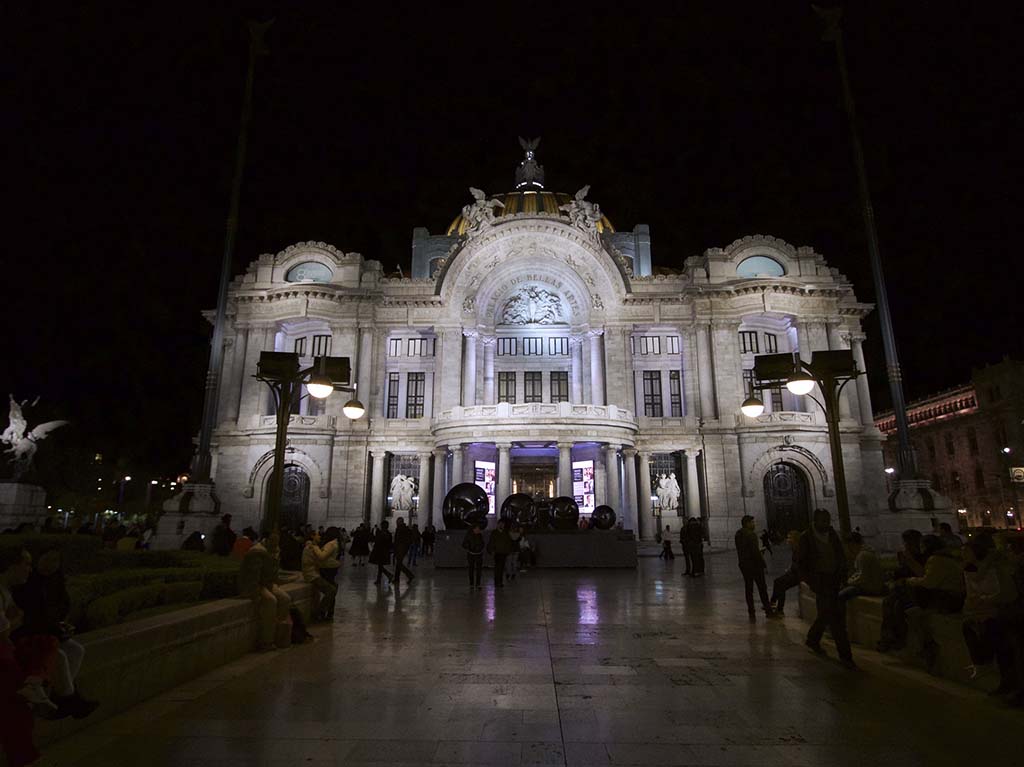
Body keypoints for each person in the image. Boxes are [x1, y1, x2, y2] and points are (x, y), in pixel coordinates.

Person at [12, 548, 98, 719]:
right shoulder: (27, 583)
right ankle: (69, 698)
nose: (50, 564)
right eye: (47, 558)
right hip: (27, 635)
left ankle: (62, 696)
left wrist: (58, 625)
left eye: (55, 561)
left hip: (46, 631)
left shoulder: (56, 580)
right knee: (59, 655)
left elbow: (63, 604)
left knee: (76, 650)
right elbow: (27, 617)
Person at [878, 534, 964, 653]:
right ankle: (896, 638)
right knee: (898, 604)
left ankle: (893, 639)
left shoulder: (936, 559)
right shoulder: (942, 557)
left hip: (946, 598)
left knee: (899, 597)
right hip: (943, 596)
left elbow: (928, 581)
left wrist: (908, 580)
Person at [796, 508, 855, 669]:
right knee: (835, 617)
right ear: (815, 520)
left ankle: (813, 639)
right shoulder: (806, 537)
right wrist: (810, 582)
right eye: (822, 520)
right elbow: (800, 562)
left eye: (827, 520)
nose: (825, 524)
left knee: (827, 613)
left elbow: (840, 556)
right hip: (820, 581)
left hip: (834, 580)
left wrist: (843, 575)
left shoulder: (833, 535)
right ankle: (846, 656)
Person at [238, 532, 292, 651]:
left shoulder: (271, 551)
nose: (275, 546)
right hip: (255, 585)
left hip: (266, 584)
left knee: (285, 599)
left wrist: (275, 557)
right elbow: (253, 577)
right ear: (266, 541)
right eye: (273, 543)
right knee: (271, 601)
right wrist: (256, 594)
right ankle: (266, 640)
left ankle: (277, 634)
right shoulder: (257, 552)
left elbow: (272, 573)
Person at [735, 515, 772, 621]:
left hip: (743, 564)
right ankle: (768, 611)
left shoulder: (738, 534)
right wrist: (763, 565)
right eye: (752, 522)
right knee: (762, 588)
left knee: (748, 588)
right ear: (747, 523)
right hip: (754, 565)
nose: (754, 524)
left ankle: (751, 612)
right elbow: (755, 553)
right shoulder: (751, 535)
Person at [301, 530, 339, 621]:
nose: (320, 537)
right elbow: (320, 559)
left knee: (333, 588)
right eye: (318, 535)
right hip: (312, 574)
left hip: (313, 573)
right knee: (332, 590)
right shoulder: (311, 547)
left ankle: (325, 613)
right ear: (312, 536)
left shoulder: (313, 547)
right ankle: (319, 612)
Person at [838, 531, 887, 602]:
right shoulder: (865, 553)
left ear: (852, 544)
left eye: (848, 546)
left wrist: (848, 582)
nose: (848, 549)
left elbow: (862, 578)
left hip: (873, 588)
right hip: (874, 586)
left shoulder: (862, 555)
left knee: (841, 595)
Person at [769, 530, 803, 616]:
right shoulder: (794, 548)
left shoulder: (799, 549)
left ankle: (779, 608)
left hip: (799, 575)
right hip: (794, 572)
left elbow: (799, 564)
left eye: (789, 538)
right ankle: (773, 602)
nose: (787, 540)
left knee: (781, 585)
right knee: (777, 581)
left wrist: (791, 569)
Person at [487, 519, 515, 588]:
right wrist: (491, 550)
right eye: (500, 524)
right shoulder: (494, 533)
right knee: (498, 568)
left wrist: (508, 550)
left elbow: (509, 542)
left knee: (501, 568)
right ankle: (497, 582)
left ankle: (500, 582)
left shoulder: (505, 533)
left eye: (503, 524)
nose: (501, 525)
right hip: (497, 553)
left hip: (504, 553)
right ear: (498, 524)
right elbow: (491, 542)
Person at [391, 519, 416, 587]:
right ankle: (397, 578)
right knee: (398, 564)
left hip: (401, 549)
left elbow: (399, 540)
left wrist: (400, 547)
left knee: (399, 564)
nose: (396, 523)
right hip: (401, 548)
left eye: (397, 522)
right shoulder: (402, 529)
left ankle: (409, 575)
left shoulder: (403, 529)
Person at [369, 520, 394, 586]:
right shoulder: (388, 533)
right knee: (380, 566)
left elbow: (378, 541)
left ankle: (388, 576)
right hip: (384, 552)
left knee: (380, 567)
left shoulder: (381, 533)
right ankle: (380, 579)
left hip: (380, 552)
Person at [462, 523, 485, 590]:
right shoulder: (468, 535)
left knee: (479, 570)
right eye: (477, 528)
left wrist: (480, 547)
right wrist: (470, 547)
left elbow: (482, 543)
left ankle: (478, 584)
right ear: (474, 529)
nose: (478, 530)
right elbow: (464, 544)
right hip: (471, 554)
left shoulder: (480, 535)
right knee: (471, 569)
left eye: (479, 529)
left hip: (479, 554)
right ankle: (471, 584)